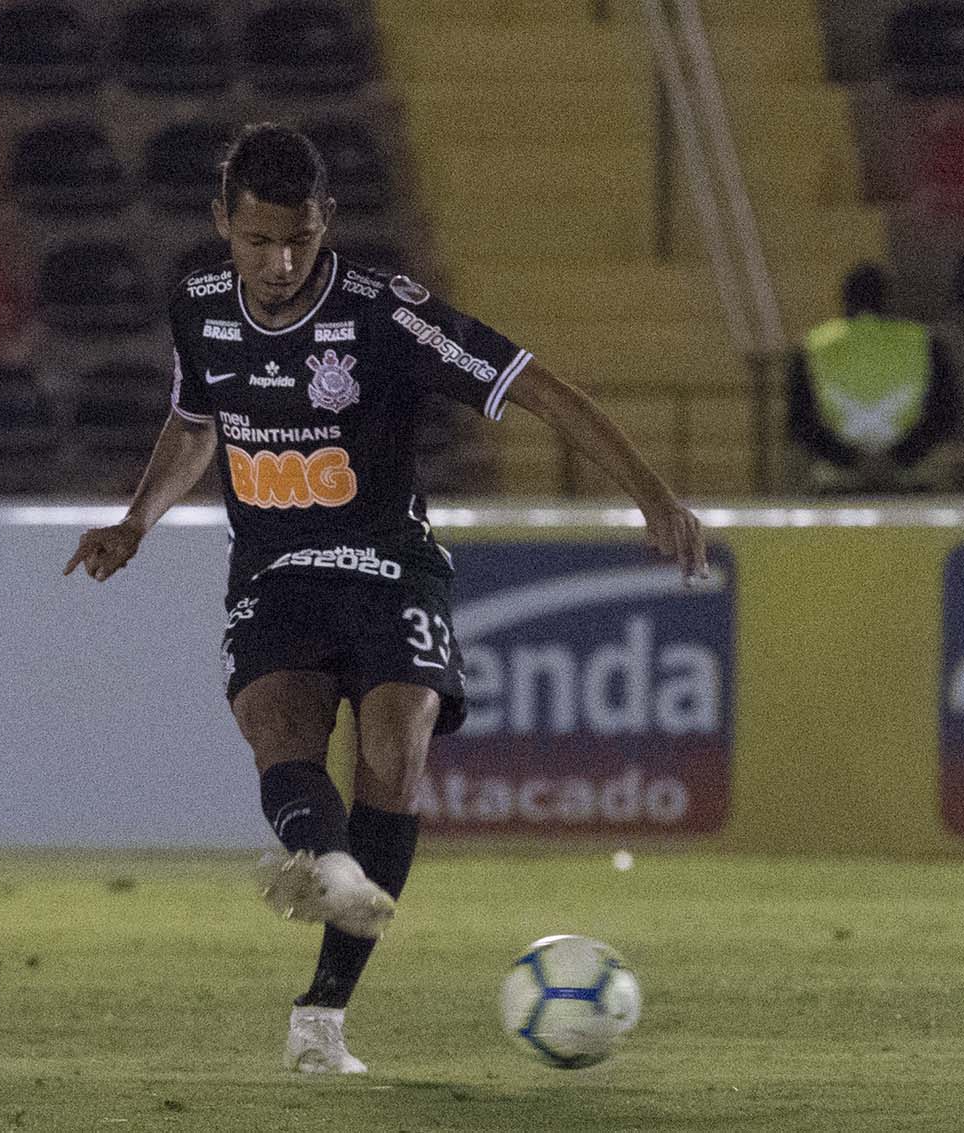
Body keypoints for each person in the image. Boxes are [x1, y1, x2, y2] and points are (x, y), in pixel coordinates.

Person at [65, 123, 707, 1075]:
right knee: (276, 733)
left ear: (326, 222)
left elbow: (539, 389)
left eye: (300, 239)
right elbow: (195, 423)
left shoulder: (384, 314)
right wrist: (135, 521)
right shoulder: (197, 307)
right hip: (274, 571)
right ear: (221, 225)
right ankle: (329, 866)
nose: (280, 263)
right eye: (257, 241)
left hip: (385, 563)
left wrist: (652, 492)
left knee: (393, 749)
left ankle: (322, 1015)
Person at [788, 262, 960, 492]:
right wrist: (901, 455)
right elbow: (945, 414)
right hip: (910, 471)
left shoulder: (814, 346)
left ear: (845, 300)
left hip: (840, 473)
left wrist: (849, 458)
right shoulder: (924, 342)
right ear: (889, 300)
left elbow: (800, 422)